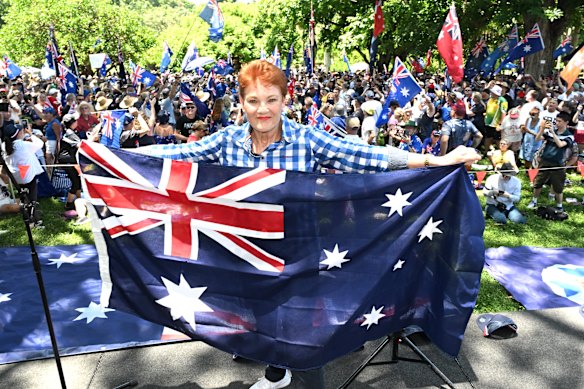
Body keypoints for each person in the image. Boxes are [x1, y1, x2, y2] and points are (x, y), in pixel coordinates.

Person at [132, 60, 480, 389]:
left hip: (299, 249)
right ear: (241, 102)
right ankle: (275, 372)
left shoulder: (306, 139)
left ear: (285, 99)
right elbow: (173, 157)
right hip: (247, 248)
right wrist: (107, 153)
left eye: (271, 99)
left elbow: (364, 156)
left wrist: (436, 160)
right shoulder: (226, 140)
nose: (263, 109)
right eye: (253, 100)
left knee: (301, 329)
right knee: (260, 316)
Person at [527, 111, 576, 211]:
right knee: (538, 182)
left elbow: (560, 144)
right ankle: (534, 201)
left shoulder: (569, 136)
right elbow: (537, 139)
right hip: (545, 161)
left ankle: (559, 206)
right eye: (556, 121)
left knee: (558, 187)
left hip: (558, 163)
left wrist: (553, 132)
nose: (557, 123)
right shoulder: (550, 132)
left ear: (566, 122)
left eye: (559, 121)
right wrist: (541, 129)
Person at [1, 123, 45, 229]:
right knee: (32, 199)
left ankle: (30, 219)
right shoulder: (22, 144)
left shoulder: (5, 145)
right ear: (19, 133)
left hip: (17, 176)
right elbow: (40, 144)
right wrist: (31, 134)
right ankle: (34, 221)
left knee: (24, 197)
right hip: (27, 175)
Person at [484, 85, 508, 151]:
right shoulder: (490, 99)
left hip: (496, 124)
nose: (491, 93)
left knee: (497, 139)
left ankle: (501, 153)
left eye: (492, 92)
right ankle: (486, 152)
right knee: (487, 137)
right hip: (488, 123)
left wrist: (500, 125)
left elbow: (503, 112)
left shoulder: (503, 100)